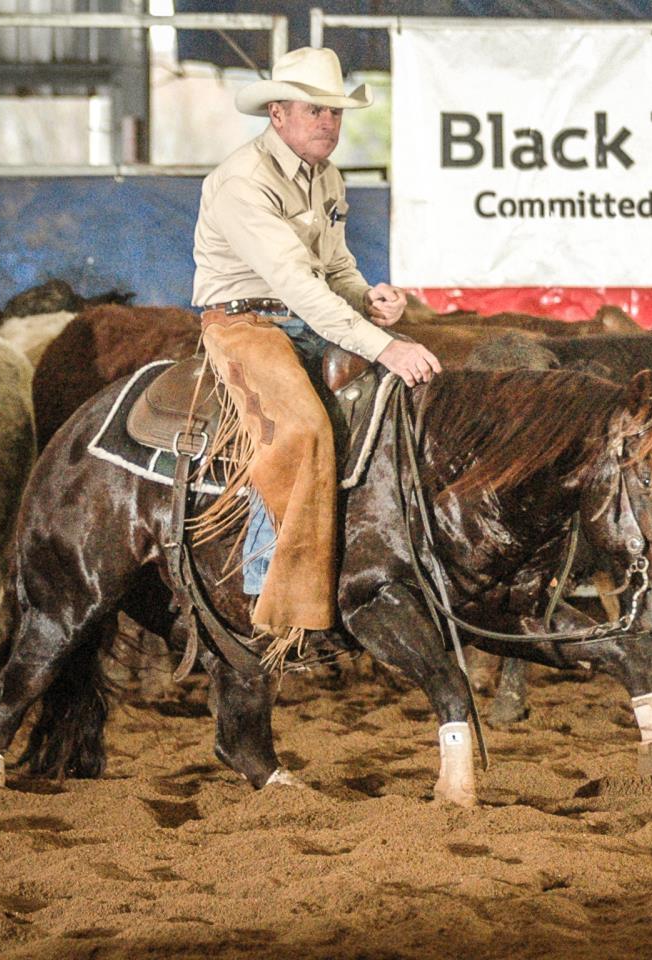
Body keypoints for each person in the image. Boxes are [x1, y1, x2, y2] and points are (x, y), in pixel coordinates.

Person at [190, 45, 442, 651]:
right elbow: (298, 285)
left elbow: (335, 267)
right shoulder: (243, 182)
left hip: (307, 319)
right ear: (277, 113)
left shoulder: (326, 175)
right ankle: (273, 594)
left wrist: (368, 297)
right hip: (245, 325)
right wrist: (383, 346)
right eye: (315, 110)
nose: (329, 122)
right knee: (301, 430)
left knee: (402, 403)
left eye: (335, 112)